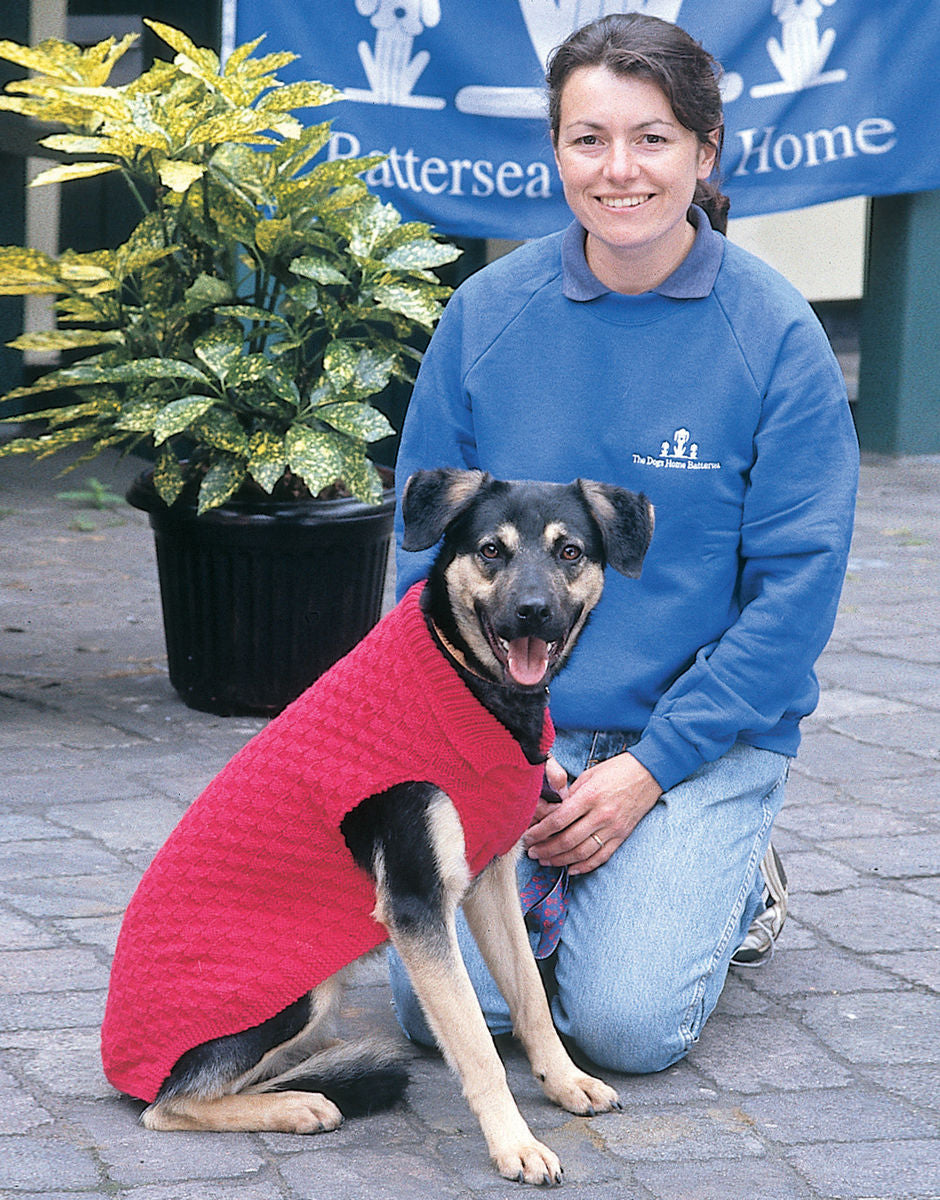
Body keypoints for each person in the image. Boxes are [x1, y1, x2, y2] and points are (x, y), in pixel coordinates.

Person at [388, 12, 859, 1075]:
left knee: (623, 1028)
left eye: (651, 139)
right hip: (507, 728)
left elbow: (792, 599)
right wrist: (506, 745)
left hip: (687, 743)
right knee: (447, 1016)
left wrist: (649, 770)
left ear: (704, 151)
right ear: (555, 151)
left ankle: (733, 867)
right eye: (588, 138)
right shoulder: (485, 315)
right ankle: (602, 886)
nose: (619, 171)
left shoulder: (774, 335)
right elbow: (420, 569)